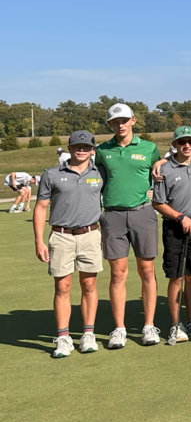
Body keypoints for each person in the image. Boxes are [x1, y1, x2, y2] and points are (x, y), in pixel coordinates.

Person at [32, 131, 104, 357]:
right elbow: (41, 207)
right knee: (62, 287)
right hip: (61, 235)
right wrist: (39, 241)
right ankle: (63, 338)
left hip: (91, 234)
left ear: (92, 150)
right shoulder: (52, 174)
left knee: (89, 286)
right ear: (69, 148)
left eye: (86, 147)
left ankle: (88, 334)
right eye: (77, 146)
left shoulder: (101, 173)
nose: (81, 150)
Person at [95, 103, 161, 349]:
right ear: (109, 124)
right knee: (118, 273)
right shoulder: (102, 150)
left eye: (124, 120)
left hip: (143, 213)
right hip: (112, 216)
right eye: (115, 121)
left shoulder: (149, 148)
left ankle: (148, 326)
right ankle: (119, 328)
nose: (120, 125)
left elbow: (161, 163)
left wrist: (161, 165)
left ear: (133, 120)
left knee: (147, 271)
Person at [152, 126, 191, 342]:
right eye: (181, 142)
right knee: (176, 275)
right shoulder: (164, 170)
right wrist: (179, 217)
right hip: (174, 225)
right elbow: (158, 203)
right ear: (174, 143)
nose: (187, 146)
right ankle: (176, 325)